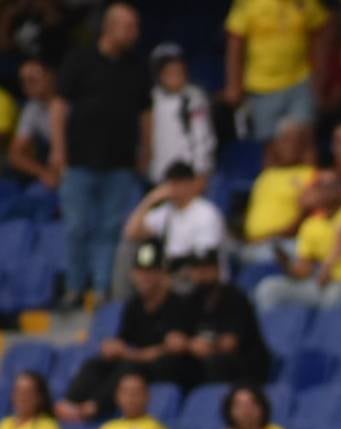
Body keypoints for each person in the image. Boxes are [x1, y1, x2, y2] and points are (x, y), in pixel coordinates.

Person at [51, 2, 151, 306]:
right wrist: (59, 150)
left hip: (119, 163)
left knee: (110, 228)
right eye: (128, 26)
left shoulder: (136, 67)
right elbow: (59, 107)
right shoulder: (79, 61)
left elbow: (145, 113)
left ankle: (103, 289)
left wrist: (146, 150)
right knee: (78, 226)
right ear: (109, 27)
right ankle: (75, 288)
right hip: (79, 161)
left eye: (136, 26)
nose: (135, 32)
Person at [55, 240, 197, 423]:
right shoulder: (134, 305)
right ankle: (69, 403)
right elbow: (124, 340)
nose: (143, 278)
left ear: (162, 275)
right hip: (136, 359)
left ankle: (93, 407)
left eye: (150, 273)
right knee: (96, 364)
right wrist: (113, 347)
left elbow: (175, 347)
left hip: (166, 368)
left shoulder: (177, 304)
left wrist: (133, 354)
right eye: (140, 272)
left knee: (130, 369)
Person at [254, 169, 341, 310]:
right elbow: (304, 270)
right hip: (321, 285)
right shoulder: (310, 224)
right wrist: (286, 261)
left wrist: (326, 269)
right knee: (270, 288)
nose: (325, 190)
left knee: (335, 294)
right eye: (320, 185)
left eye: (331, 185)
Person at [224, 0, 329, 140]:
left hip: (300, 82)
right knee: (271, 145)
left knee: (305, 140)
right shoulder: (248, 3)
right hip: (262, 87)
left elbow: (320, 33)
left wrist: (320, 79)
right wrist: (234, 85)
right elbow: (235, 43)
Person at [123, 161, 225, 272]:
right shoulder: (166, 211)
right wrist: (150, 199)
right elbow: (131, 233)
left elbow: (205, 257)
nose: (173, 189)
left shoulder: (206, 213)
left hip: (197, 273)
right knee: (130, 251)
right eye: (170, 184)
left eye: (178, 183)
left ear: (190, 184)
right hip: (172, 274)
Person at [188, 251, 272, 384]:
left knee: (215, 363)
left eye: (206, 269)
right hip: (211, 358)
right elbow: (182, 338)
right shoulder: (192, 299)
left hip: (246, 363)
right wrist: (191, 345)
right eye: (197, 269)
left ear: (217, 270)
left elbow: (230, 343)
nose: (201, 274)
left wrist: (205, 346)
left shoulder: (235, 297)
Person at [148, 43, 216, 184]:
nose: (175, 77)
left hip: (189, 175)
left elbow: (202, 137)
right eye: (169, 73)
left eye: (179, 72)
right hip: (159, 174)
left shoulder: (194, 98)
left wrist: (201, 170)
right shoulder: (151, 99)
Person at [243, 119, 317, 247]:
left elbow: (307, 215)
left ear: (302, 145)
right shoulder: (266, 175)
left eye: (294, 141)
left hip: (282, 244)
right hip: (250, 243)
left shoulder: (309, 174)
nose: (289, 146)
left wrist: (272, 238)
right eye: (284, 140)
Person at [7, 57, 57, 187]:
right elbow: (15, 154)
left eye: (33, 78)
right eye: (24, 80)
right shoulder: (33, 108)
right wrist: (43, 173)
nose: (28, 84)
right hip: (54, 173)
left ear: (51, 76)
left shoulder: (76, 101)